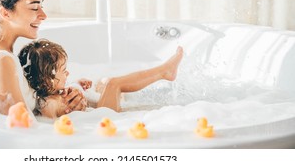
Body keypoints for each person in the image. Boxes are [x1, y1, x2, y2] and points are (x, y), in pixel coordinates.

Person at [18, 38, 184, 119]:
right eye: (63, 70)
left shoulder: (50, 90)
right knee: (113, 84)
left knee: (103, 82)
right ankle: (165, 71)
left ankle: (122, 95)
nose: (67, 74)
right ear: (48, 80)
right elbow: (52, 121)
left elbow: (69, 98)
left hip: (97, 113)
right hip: (103, 118)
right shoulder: (48, 104)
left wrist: (76, 85)